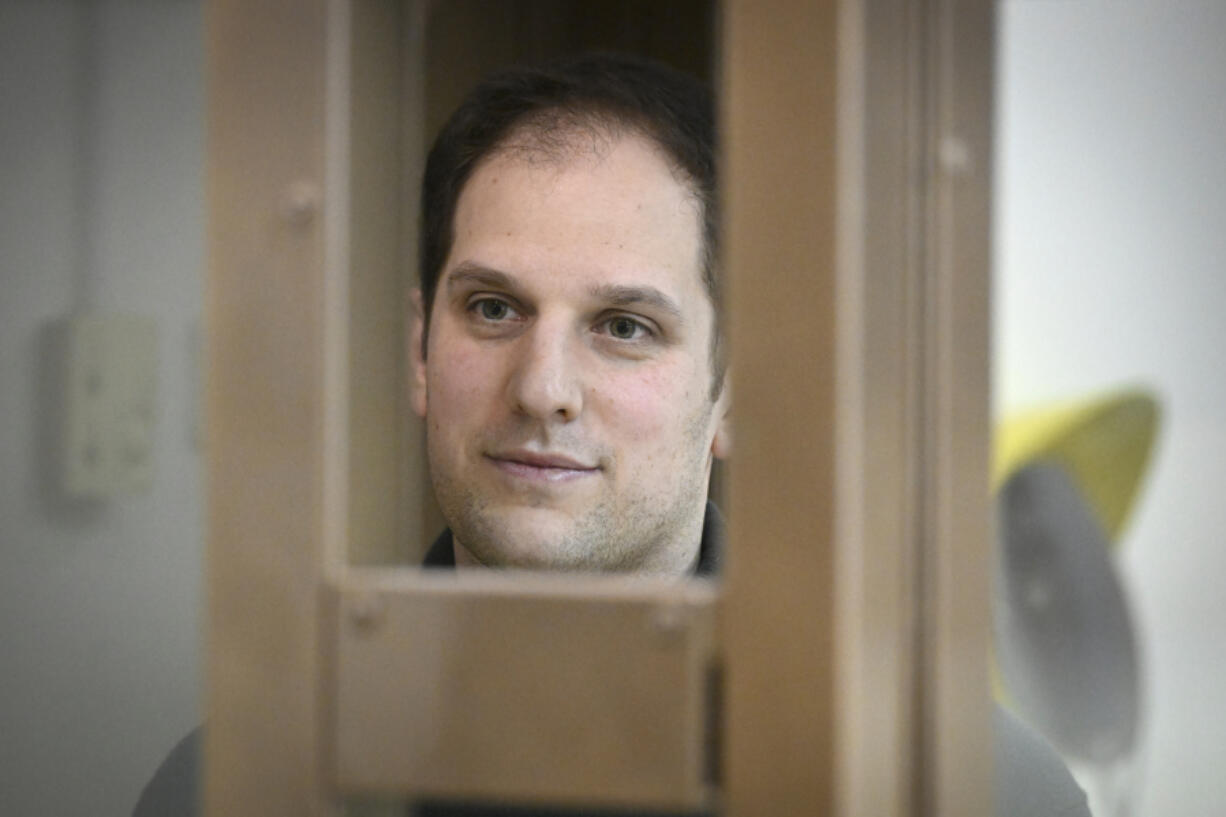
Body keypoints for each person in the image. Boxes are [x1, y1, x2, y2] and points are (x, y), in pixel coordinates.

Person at [134, 52, 1087, 817]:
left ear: (734, 391)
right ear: (421, 352)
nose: (543, 388)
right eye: (495, 307)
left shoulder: (970, 793)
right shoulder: (227, 789)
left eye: (625, 326)